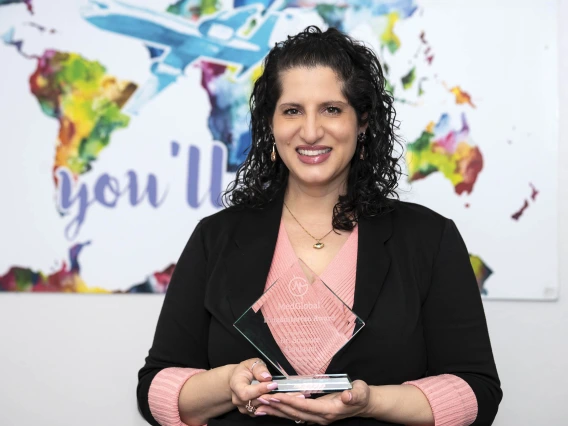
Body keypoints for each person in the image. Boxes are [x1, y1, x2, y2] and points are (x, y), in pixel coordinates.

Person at [137, 26, 502, 426]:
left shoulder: (429, 240)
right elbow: (155, 389)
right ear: (270, 125)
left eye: (332, 109)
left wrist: (371, 401)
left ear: (362, 121)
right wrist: (227, 384)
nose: (310, 132)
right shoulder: (216, 238)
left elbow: (476, 391)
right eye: (292, 110)